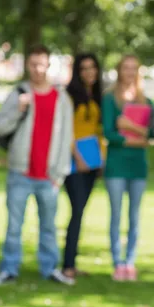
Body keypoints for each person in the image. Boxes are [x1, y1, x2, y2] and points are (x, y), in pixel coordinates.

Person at [0, 44, 74, 286]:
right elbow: (0, 128)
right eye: (33, 64)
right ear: (28, 65)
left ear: (48, 65)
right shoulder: (18, 94)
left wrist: (59, 174)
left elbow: (66, 137)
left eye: (42, 64)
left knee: (49, 227)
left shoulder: (61, 99)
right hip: (20, 171)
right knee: (14, 226)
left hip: (49, 175)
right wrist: (19, 110)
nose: (38, 69)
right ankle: (9, 269)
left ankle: (49, 269)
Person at [102, 54, 154, 281]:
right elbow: (109, 133)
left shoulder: (146, 101)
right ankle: (117, 262)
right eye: (126, 68)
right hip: (116, 164)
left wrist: (128, 126)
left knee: (134, 216)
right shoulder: (109, 99)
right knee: (116, 214)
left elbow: (152, 134)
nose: (130, 73)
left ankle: (130, 262)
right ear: (119, 71)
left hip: (137, 166)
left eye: (134, 68)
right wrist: (136, 139)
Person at [62, 53, 104, 279]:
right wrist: (77, 157)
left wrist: (100, 159)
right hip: (74, 162)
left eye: (93, 68)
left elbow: (97, 130)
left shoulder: (95, 95)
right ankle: (67, 265)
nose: (89, 72)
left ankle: (72, 263)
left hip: (92, 161)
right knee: (76, 211)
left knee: (80, 212)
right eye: (84, 68)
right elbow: (66, 129)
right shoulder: (70, 96)